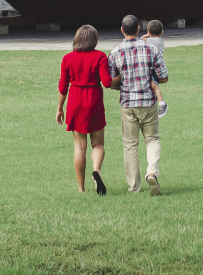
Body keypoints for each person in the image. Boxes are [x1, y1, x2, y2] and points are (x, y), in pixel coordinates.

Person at [108, 14, 169, 195]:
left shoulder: (115, 53)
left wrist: (125, 83)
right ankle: (152, 171)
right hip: (148, 102)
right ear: (138, 29)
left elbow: (110, 82)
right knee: (152, 139)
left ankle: (134, 186)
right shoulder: (151, 49)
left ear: (121, 30)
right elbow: (164, 76)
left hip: (127, 103)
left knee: (130, 145)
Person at [57, 24, 115, 194]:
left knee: (79, 147)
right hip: (94, 101)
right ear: (95, 40)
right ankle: (96, 170)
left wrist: (60, 109)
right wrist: (120, 78)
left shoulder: (67, 58)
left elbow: (62, 86)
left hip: (75, 101)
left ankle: (81, 188)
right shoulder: (100, 56)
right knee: (98, 144)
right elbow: (107, 82)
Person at [142, 19, 168, 118]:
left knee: (153, 85)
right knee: (153, 85)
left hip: (154, 67)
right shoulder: (160, 41)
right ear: (162, 32)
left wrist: (148, 34)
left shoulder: (151, 40)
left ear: (149, 32)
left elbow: (141, 38)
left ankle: (162, 103)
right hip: (158, 66)